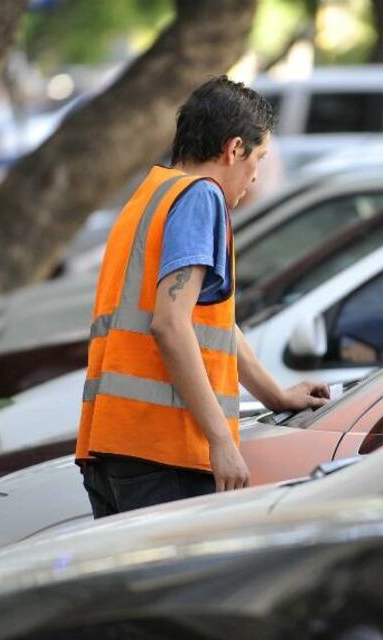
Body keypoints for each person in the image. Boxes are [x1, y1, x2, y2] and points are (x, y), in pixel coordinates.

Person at [76, 76, 329, 518]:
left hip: (114, 447)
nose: (255, 176)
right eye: (259, 158)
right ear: (234, 150)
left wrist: (275, 396)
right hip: (164, 454)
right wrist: (221, 440)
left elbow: (208, 322)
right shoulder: (202, 197)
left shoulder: (151, 194)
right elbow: (170, 324)